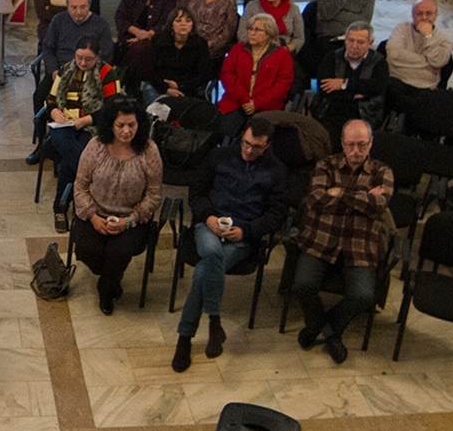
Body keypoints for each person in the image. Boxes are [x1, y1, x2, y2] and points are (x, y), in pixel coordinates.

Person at [172, 115, 290, 371]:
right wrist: (209, 217)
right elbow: (197, 191)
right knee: (212, 253)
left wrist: (246, 230)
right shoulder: (220, 156)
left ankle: (185, 337)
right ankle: (214, 322)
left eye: (256, 147)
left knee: (205, 269)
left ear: (267, 145)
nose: (248, 150)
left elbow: (276, 213)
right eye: (246, 143)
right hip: (209, 226)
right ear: (242, 137)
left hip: (242, 236)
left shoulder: (276, 171)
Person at [290, 118, 394, 364]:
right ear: (342, 143)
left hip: (360, 245)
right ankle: (331, 335)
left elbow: (379, 204)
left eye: (362, 145)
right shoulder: (326, 165)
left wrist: (339, 193)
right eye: (350, 145)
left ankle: (320, 329)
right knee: (303, 284)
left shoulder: (382, 171)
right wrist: (362, 199)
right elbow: (315, 199)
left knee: (364, 296)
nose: (356, 151)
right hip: (322, 239)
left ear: (370, 144)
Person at [70, 97, 163, 315]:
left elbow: (153, 195)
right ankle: (110, 278)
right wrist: (93, 217)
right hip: (95, 211)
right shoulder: (96, 146)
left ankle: (107, 289)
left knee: (118, 253)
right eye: (120, 125)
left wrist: (129, 220)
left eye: (132, 125)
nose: (126, 131)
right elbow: (80, 187)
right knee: (88, 251)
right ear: (110, 125)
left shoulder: (149, 151)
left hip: (131, 218)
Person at [39, 42, 118, 193]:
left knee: (71, 159)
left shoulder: (106, 72)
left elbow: (112, 109)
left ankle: (60, 206)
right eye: (79, 57)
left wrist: (84, 120)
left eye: (88, 59)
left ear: (97, 56)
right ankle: (92, 185)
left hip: (91, 125)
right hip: (63, 124)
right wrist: (55, 112)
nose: (82, 62)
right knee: (66, 142)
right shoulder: (66, 69)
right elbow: (50, 98)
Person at [216, 14, 296, 138]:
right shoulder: (237, 50)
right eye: (250, 29)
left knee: (259, 136)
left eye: (257, 30)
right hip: (236, 103)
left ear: (269, 33)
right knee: (225, 133)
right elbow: (227, 75)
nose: (251, 33)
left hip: (267, 107)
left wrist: (257, 103)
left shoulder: (282, 55)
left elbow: (282, 85)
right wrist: (244, 100)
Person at [114, 0, 179, 83]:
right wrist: (136, 32)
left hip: (156, 40)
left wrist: (146, 35)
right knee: (123, 49)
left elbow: (166, 23)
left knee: (141, 49)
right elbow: (120, 16)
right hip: (130, 36)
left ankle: (126, 82)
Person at [314, 22, 388, 136]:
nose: (354, 46)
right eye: (351, 40)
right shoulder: (332, 58)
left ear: (370, 43)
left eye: (360, 42)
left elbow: (377, 87)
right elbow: (324, 89)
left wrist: (344, 84)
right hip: (332, 111)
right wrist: (358, 93)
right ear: (345, 39)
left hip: (364, 114)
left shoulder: (379, 61)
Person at [384, 0, 452, 114]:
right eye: (419, 14)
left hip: (427, 87)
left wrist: (428, 37)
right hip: (399, 81)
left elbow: (439, 61)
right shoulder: (402, 30)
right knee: (390, 88)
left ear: (435, 16)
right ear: (412, 15)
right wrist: (428, 64)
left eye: (429, 14)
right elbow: (394, 56)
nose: (424, 18)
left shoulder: (443, 40)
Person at [143, 6, 213, 102]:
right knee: (150, 92)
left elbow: (203, 74)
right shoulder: (158, 41)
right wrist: (166, 88)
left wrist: (180, 86)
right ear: (172, 24)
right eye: (178, 21)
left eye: (188, 21)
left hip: (188, 87)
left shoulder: (200, 44)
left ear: (192, 25)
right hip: (160, 85)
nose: (183, 24)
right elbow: (149, 70)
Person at [248, 0, 306, 65]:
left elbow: (299, 37)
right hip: (257, 50)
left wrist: (286, 49)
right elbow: (242, 34)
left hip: (284, 51)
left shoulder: (293, 9)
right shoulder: (252, 7)